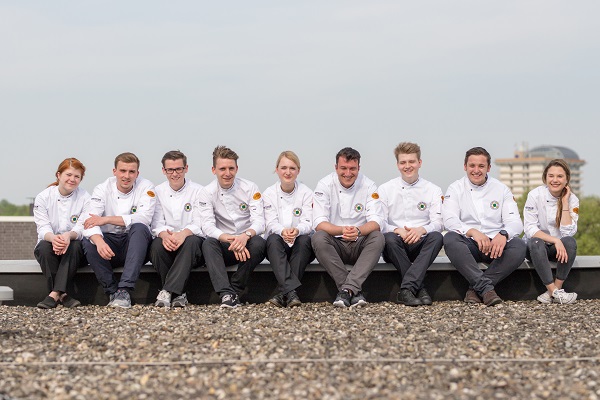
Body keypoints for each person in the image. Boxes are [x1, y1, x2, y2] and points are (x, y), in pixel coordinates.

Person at [443, 146, 526, 306]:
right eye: (472, 165)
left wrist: (504, 234)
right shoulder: (455, 188)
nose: (476, 170)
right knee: (450, 238)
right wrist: (472, 231)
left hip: (496, 246)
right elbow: (449, 219)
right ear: (465, 166)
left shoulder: (502, 189)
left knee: (519, 246)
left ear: (488, 168)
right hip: (470, 245)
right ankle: (487, 290)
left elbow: (515, 222)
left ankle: (475, 290)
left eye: (481, 166)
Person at [312, 147, 385, 308]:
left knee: (378, 237)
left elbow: (376, 221)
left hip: (360, 243)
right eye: (343, 168)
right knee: (318, 238)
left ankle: (346, 291)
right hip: (335, 244)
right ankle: (353, 290)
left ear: (359, 168)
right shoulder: (324, 185)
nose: (348, 173)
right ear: (336, 167)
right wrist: (342, 230)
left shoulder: (369, 185)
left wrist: (358, 231)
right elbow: (319, 222)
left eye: (352, 169)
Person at [81, 152, 156, 308]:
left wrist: (106, 219)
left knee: (140, 228)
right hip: (109, 247)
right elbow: (89, 221)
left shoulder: (146, 187)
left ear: (137, 173)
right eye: (122, 171)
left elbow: (144, 218)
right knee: (89, 241)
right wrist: (99, 241)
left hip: (135, 246)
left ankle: (124, 289)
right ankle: (112, 291)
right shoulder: (102, 189)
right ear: (114, 171)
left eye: (131, 172)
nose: (126, 176)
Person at [198, 145, 266, 308]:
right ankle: (225, 293)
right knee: (208, 243)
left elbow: (260, 222)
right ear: (214, 170)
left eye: (231, 168)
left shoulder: (250, 188)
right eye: (222, 169)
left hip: (247, 244)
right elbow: (207, 226)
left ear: (237, 169)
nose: (227, 173)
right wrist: (228, 239)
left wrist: (245, 236)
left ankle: (233, 290)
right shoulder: (206, 192)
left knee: (260, 243)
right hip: (224, 244)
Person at [379, 142, 443, 306]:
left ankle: (407, 289)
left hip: (421, 244)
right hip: (396, 246)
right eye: (403, 162)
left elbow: (438, 223)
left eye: (412, 162)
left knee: (437, 237)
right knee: (389, 238)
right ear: (397, 165)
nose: (407, 166)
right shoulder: (385, 189)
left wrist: (422, 229)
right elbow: (380, 222)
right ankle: (419, 288)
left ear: (419, 163)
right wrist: (398, 230)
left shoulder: (433, 190)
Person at [33, 158, 90, 309]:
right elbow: (43, 228)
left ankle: (53, 294)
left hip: (74, 251)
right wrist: (54, 239)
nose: (72, 179)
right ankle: (64, 295)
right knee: (43, 247)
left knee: (75, 245)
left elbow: (82, 227)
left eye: (77, 176)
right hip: (50, 246)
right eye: (68, 175)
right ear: (59, 175)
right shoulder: (43, 197)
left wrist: (68, 236)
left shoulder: (85, 198)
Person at [150, 150, 205, 308]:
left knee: (191, 242)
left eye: (179, 169)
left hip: (191, 241)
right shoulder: (157, 192)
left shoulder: (199, 191)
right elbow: (156, 222)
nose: (175, 174)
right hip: (168, 239)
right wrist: (165, 235)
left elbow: (200, 222)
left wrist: (183, 234)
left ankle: (167, 291)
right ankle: (179, 294)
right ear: (164, 171)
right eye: (170, 170)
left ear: (186, 168)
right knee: (156, 246)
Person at [263, 151, 314, 308]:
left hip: (300, 246)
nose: (288, 172)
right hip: (278, 247)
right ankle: (291, 293)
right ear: (277, 170)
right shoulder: (268, 193)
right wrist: (283, 231)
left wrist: (297, 230)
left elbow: (309, 222)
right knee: (272, 239)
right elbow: (270, 222)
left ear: (298, 170)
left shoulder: (307, 193)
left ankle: (283, 293)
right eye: (284, 168)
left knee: (305, 239)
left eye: (292, 168)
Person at [524, 159, 579, 304]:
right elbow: (530, 229)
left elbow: (568, 233)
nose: (555, 180)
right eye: (551, 176)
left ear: (566, 179)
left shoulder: (573, 199)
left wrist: (565, 202)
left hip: (558, 251)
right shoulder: (535, 195)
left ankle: (553, 291)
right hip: (536, 248)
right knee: (535, 241)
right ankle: (553, 290)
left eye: (560, 176)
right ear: (545, 178)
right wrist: (555, 240)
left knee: (570, 242)